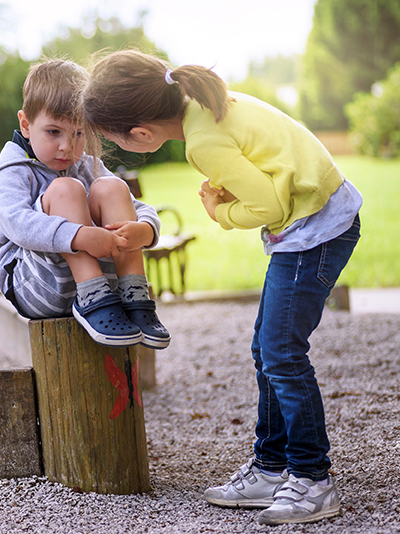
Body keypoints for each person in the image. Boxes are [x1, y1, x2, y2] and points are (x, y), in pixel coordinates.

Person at [83, 50, 362, 525]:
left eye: (115, 141)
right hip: (320, 217)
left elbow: (271, 207)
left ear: (142, 133)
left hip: (314, 233)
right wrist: (242, 192)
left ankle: (313, 479)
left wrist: (221, 213)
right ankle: (272, 467)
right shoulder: (209, 102)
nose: (116, 149)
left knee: (281, 353)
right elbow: (272, 167)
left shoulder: (202, 142)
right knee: (267, 349)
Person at [0, 59, 170, 349]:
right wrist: (78, 236)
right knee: (66, 189)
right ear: (26, 125)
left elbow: (135, 205)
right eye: (54, 132)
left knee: (111, 186)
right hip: (38, 286)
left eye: (79, 133)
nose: (67, 146)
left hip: (109, 289)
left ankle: (135, 293)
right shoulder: (10, 172)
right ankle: (93, 296)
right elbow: (18, 224)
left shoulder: (87, 165)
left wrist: (146, 229)